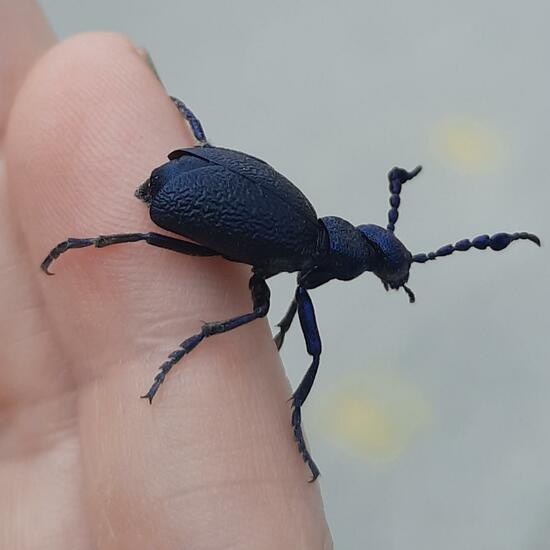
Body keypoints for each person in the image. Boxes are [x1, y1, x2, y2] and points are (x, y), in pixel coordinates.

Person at [0, 2, 333, 548]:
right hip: (180, 197)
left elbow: (250, 180)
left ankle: (109, 229)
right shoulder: (302, 239)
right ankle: (109, 253)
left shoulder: (303, 219)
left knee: (263, 311)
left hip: (190, 175)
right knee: (257, 311)